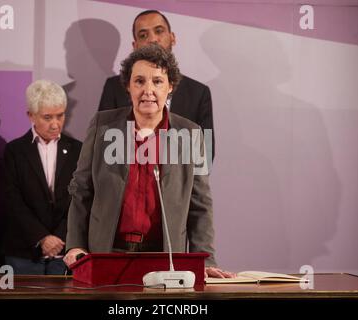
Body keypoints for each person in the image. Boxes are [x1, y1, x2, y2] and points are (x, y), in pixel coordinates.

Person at [64, 44, 232, 278]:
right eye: (139, 81)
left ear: (170, 87)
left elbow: (200, 203)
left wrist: (205, 259)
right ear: (128, 87)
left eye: (157, 81)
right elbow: (81, 190)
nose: (148, 90)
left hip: (164, 257)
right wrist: (75, 245)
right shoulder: (102, 125)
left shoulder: (191, 133)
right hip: (107, 254)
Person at [99, 9, 215, 158]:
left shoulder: (198, 93)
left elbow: (206, 153)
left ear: (172, 38)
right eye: (143, 35)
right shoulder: (114, 87)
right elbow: (103, 143)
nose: (152, 39)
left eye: (159, 31)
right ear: (135, 45)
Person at [3, 80, 82, 275]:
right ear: (31, 115)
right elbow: (13, 201)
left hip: (64, 252)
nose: (55, 124)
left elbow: (80, 199)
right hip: (23, 253)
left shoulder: (78, 150)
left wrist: (60, 237)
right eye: (47, 117)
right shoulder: (14, 151)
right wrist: (41, 237)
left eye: (60, 115)